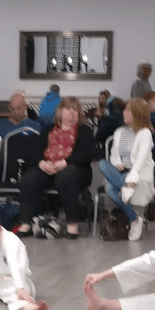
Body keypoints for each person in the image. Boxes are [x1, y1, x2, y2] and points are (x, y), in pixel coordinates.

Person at [17, 97, 95, 239]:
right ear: (60, 112)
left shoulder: (84, 131)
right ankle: (26, 224)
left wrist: (63, 163)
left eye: (75, 110)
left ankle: (72, 225)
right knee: (29, 178)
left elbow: (87, 154)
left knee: (66, 177)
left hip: (75, 169)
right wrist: (42, 164)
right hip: (48, 167)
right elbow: (33, 152)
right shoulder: (48, 130)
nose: (72, 112)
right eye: (68, 109)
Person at [98, 98, 155, 241]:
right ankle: (135, 219)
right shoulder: (119, 132)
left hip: (137, 173)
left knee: (110, 188)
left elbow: (140, 161)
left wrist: (131, 181)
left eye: (127, 110)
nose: (123, 112)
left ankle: (134, 220)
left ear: (136, 113)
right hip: (120, 172)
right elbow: (114, 156)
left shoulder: (145, 133)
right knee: (102, 164)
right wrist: (117, 164)